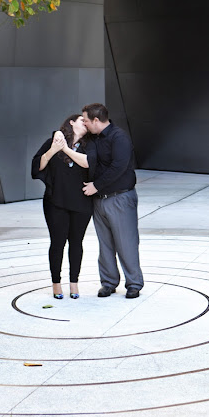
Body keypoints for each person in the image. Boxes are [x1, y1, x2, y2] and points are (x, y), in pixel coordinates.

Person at [81, 103, 143, 299]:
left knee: (127, 243)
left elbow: (118, 167)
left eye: (86, 120)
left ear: (96, 120)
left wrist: (96, 186)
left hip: (120, 198)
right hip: (99, 200)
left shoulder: (119, 137)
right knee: (105, 244)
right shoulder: (91, 139)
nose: (84, 123)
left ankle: (134, 284)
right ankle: (108, 283)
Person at [31, 114, 96, 300]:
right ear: (71, 122)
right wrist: (54, 149)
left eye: (87, 122)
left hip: (81, 202)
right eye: (81, 120)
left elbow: (89, 163)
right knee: (57, 243)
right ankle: (56, 284)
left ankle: (74, 284)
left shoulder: (91, 145)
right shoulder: (53, 141)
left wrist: (66, 149)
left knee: (76, 243)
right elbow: (37, 167)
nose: (85, 123)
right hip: (55, 201)